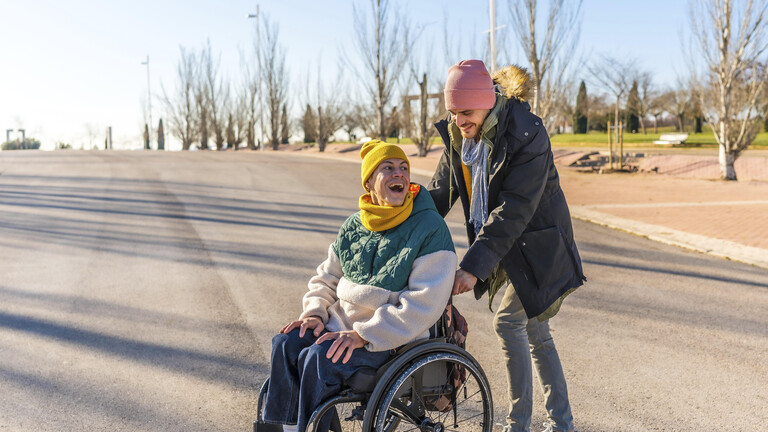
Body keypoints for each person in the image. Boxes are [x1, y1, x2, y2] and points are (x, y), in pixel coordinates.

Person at [427, 59, 586, 432]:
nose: (459, 120)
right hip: (507, 245)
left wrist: (473, 266)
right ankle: (562, 424)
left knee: (508, 323)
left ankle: (518, 425)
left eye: (466, 112)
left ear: (486, 101)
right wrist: (401, 221)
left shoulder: (527, 133)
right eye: (453, 112)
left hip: (539, 245)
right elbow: (440, 192)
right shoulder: (459, 135)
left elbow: (513, 209)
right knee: (537, 332)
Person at [262, 140, 457, 432]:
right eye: (388, 168)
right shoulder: (355, 225)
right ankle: (287, 429)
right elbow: (326, 278)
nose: (399, 174)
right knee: (287, 344)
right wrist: (314, 313)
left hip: (391, 340)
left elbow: (423, 304)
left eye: (404, 168)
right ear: (369, 182)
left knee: (318, 357)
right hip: (341, 329)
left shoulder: (429, 228)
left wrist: (362, 334)